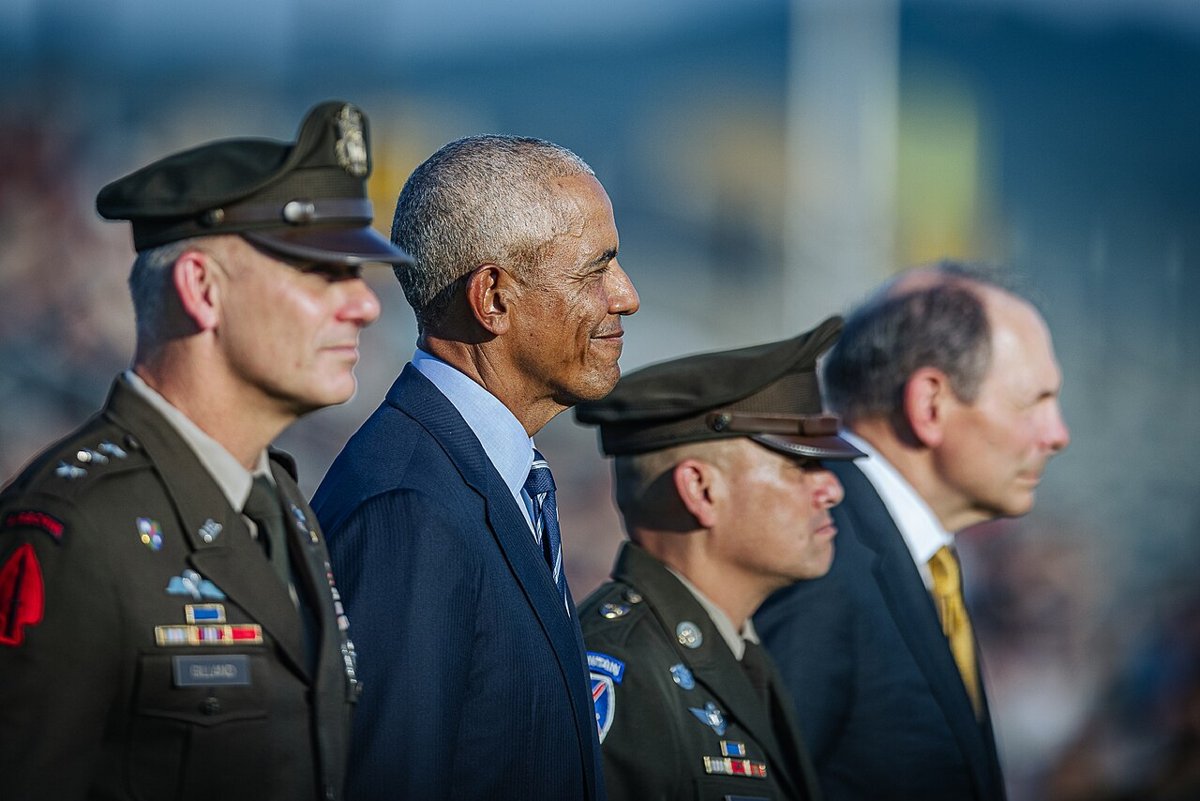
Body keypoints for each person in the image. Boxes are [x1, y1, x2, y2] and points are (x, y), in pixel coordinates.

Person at [0, 101, 412, 801]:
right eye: (323, 271)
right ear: (201, 288)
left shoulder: (282, 507)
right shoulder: (76, 530)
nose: (365, 304)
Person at [311, 134, 639, 801]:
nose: (626, 296)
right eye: (595, 270)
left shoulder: (481, 476)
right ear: (493, 297)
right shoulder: (410, 507)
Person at [755, 261, 1071, 801]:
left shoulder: (906, 551)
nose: (1057, 433)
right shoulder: (817, 554)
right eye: (1033, 402)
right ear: (929, 404)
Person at [573, 316, 863, 801]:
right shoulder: (621, 673)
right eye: (800, 466)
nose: (831, 488)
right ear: (701, 490)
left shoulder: (739, 653)